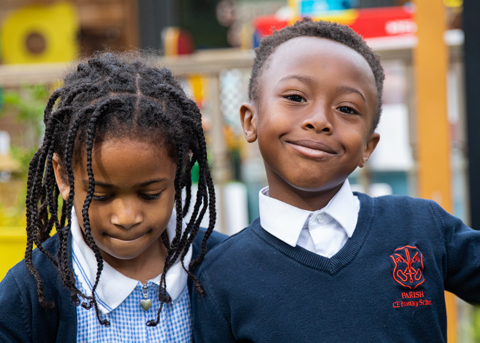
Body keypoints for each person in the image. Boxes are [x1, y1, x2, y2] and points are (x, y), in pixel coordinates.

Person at [191, 18, 480, 342]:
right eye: (296, 98)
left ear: (367, 147)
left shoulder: (420, 227)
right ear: (250, 120)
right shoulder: (219, 274)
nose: (319, 120)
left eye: (346, 108)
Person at [0, 53, 226, 342]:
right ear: (64, 177)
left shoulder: (223, 266)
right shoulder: (30, 293)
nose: (127, 217)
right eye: (102, 195)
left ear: (180, 171)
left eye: (150, 194)